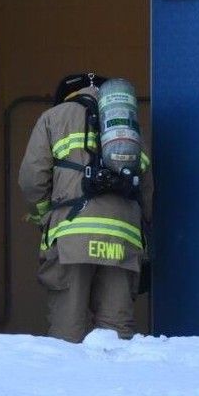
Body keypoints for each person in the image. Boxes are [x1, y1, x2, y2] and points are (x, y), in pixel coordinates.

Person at [18, 73, 152, 343]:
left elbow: (32, 180)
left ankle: (71, 384)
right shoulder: (127, 127)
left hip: (72, 238)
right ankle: (115, 385)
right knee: (116, 330)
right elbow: (146, 188)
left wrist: (45, 214)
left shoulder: (54, 117)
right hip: (122, 238)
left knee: (69, 329)